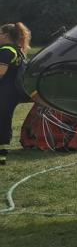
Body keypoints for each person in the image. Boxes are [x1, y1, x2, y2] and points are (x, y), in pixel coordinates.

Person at [0, 21, 31, 166]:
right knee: (4, 121)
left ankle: (2, 155)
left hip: (4, 92)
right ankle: (3, 153)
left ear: (6, 35)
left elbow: (1, 73)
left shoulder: (6, 51)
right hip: (11, 92)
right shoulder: (17, 50)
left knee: (3, 121)